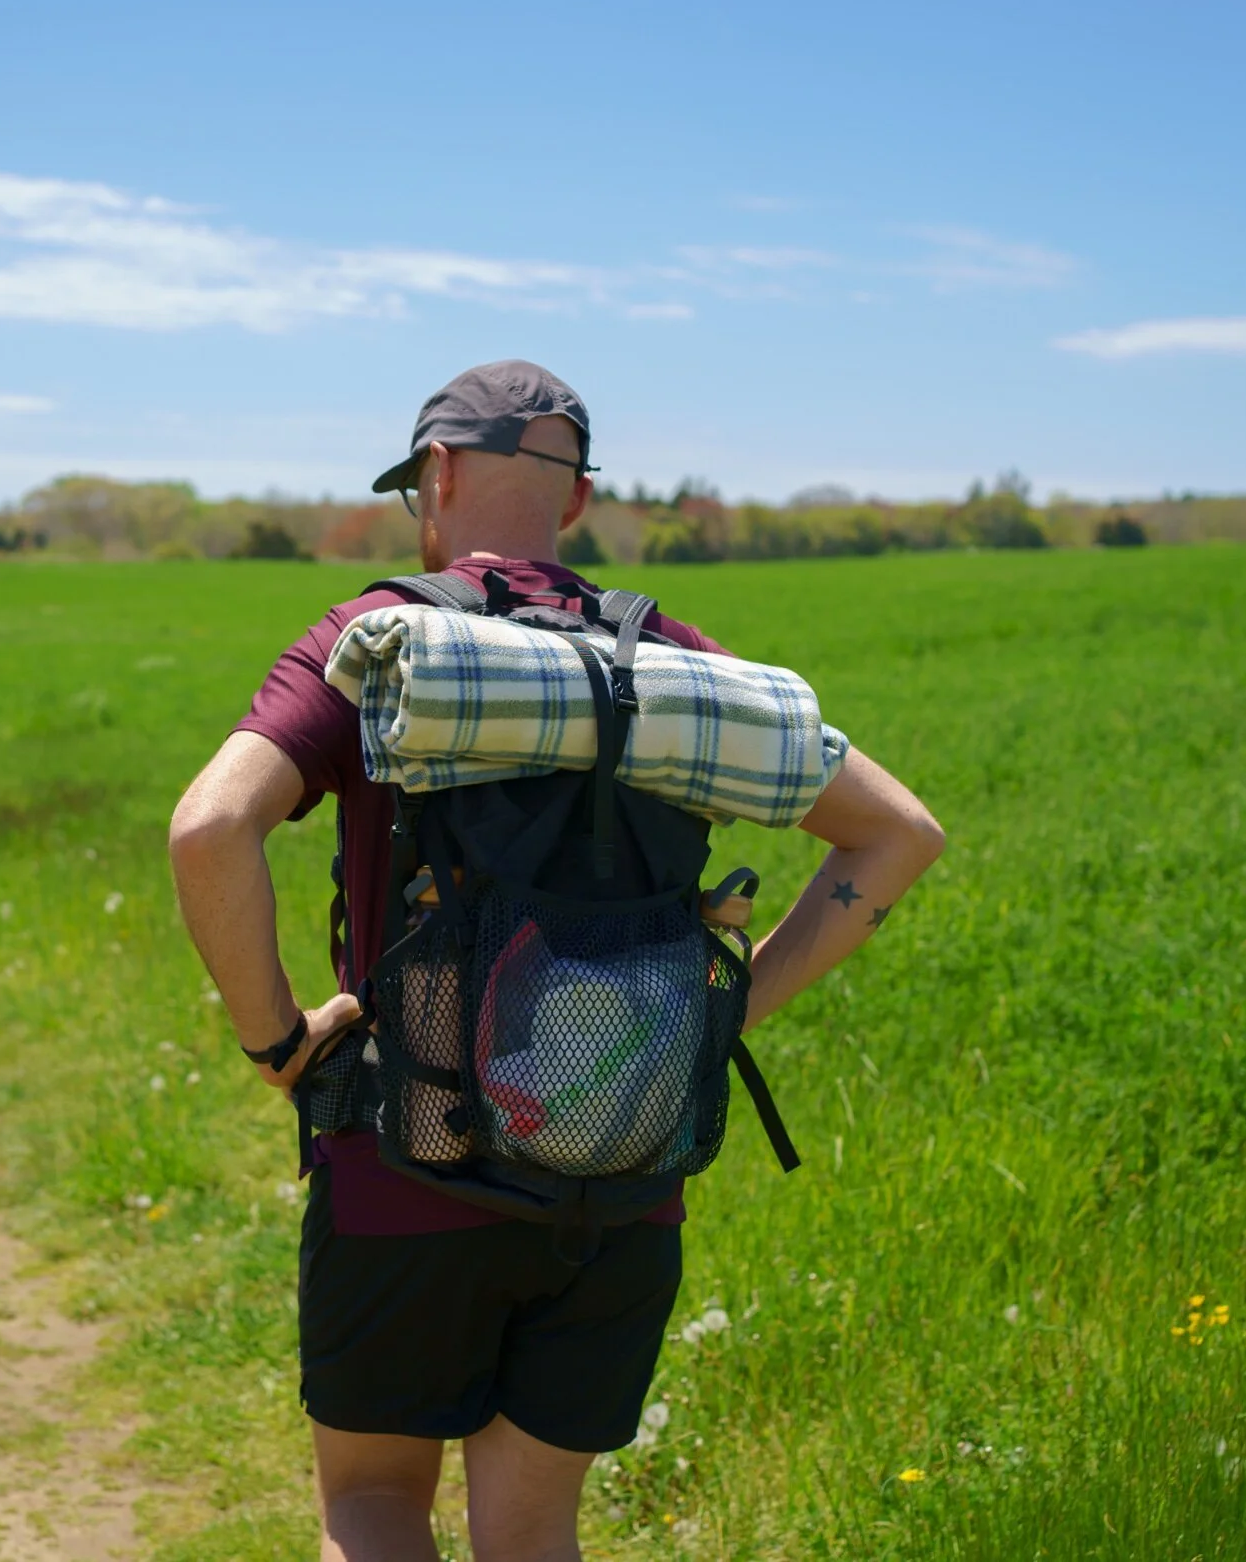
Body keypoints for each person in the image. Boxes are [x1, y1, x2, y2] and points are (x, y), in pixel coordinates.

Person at [168, 360, 946, 1562]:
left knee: (372, 1506)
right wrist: (721, 1017)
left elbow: (210, 827)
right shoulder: (673, 661)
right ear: (575, 498)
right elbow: (899, 834)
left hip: (403, 1170)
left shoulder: (375, 639)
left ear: (435, 473)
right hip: (622, 1180)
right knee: (534, 1533)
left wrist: (278, 1041)